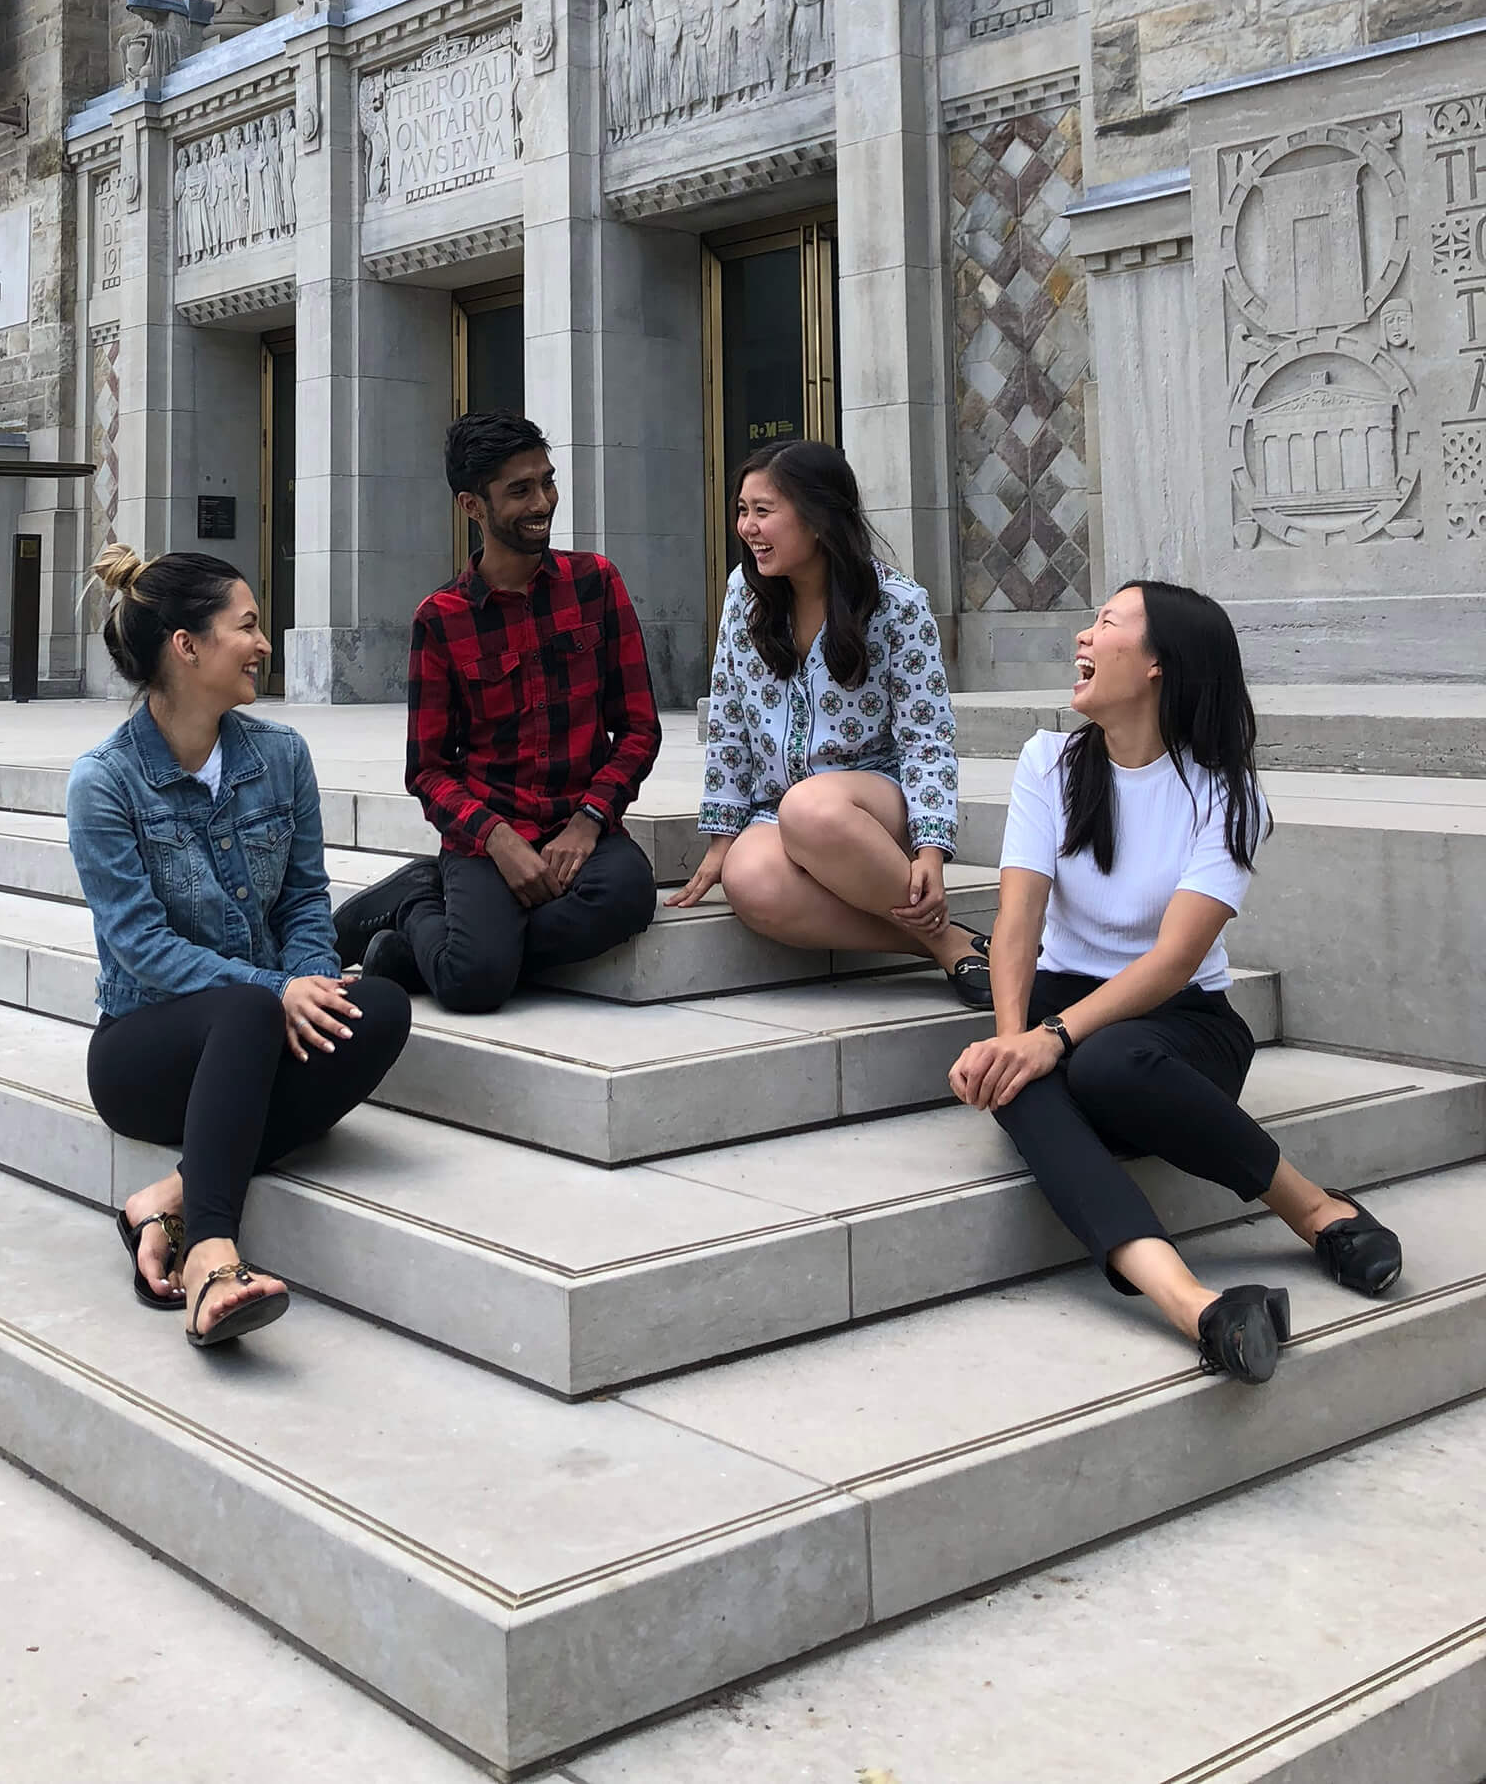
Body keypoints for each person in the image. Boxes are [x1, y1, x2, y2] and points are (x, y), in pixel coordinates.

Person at [949, 580, 1403, 1386]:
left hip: (1182, 1029)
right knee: (1022, 1083)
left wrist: (1048, 1039)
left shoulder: (1225, 790)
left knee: (1102, 1061)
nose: (1083, 636)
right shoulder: (1046, 763)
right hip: (1058, 1007)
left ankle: (1312, 1206)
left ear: (1159, 664)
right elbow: (1016, 923)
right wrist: (1013, 1035)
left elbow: (1174, 960)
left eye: (1107, 622)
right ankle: (1195, 1304)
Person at [66, 546, 410, 1348]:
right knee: (253, 1005)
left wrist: (313, 983)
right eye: (246, 626)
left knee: (382, 1009)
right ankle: (213, 1255)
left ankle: (172, 1197)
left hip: (260, 1024)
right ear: (186, 646)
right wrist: (276, 990)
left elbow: (302, 900)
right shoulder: (106, 782)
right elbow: (140, 943)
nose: (263, 643)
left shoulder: (281, 756)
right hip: (145, 1049)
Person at [332, 410, 663, 1013]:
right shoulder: (441, 618)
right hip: (489, 830)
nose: (543, 501)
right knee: (474, 985)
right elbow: (427, 770)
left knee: (629, 897)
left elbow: (639, 727)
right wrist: (499, 840)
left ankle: (423, 945)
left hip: (580, 822)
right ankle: (418, 902)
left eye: (547, 481)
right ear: (472, 506)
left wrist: (589, 820)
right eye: (520, 490)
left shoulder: (597, 583)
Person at [672, 439, 989, 1004]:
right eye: (742, 510)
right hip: (781, 807)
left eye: (764, 511)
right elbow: (727, 722)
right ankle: (945, 944)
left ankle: (943, 940)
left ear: (818, 518)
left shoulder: (897, 604)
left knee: (811, 808)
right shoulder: (743, 596)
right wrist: (723, 840)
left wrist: (930, 852)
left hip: (871, 803)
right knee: (751, 880)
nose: (747, 527)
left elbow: (927, 740)